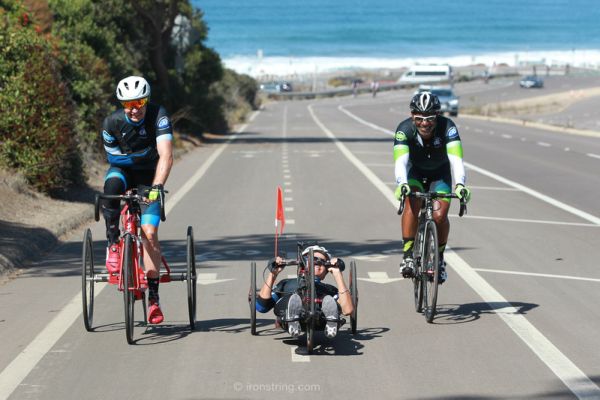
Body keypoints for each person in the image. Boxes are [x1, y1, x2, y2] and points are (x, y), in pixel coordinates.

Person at [101, 76, 174, 324]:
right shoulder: (111, 123)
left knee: (150, 232)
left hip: (149, 179)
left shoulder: (158, 116)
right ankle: (112, 243)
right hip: (123, 174)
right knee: (110, 186)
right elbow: (115, 160)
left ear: (147, 100)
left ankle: (153, 298)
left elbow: (166, 155)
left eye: (139, 102)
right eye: (128, 104)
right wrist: (144, 155)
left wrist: (156, 187)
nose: (134, 109)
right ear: (122, 104)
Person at [393, 92, 471, 283]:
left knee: (440, 215)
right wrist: (402, 184)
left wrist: (460, 185)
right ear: (413, 116)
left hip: (440, 174)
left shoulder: (448, 127)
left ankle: (440, 259)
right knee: (412, 201)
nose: (425, 124)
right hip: (415, 174)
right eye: (419, 119)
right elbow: (400, 162)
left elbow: (456, 160)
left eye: (429, 119)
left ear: (437, 115)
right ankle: (408, 256)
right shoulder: (404, 129)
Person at [255, 245, 354, 339]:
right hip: (286, 311)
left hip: (320, 318)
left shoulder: (329, 289)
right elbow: (262, 306)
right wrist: (273, 274)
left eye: (323, 262)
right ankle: (293, 314)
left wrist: (337, 274)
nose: (317, 263)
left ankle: (331, 320)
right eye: (313, 259)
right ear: (302, 264)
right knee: (292, 298)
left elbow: (347, 310)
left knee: (329, 300)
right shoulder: (286, 283)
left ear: (327, 270)